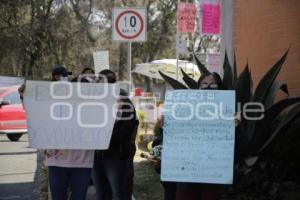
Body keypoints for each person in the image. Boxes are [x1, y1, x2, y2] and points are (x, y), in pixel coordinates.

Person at [19, 65, 95, 200]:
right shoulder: (52, 103)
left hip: (82, 162)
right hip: (57, 161)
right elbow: (35, 111)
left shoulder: (94, 107)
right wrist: (24, 94)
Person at [92, 69, 139, 200]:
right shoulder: (93, 102)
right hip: (96, 156)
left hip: (115, 157)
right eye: (99, 83)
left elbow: (126, 129)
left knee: (118, 193)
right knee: (101, 193)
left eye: (106, 83)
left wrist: (104, 137)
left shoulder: (123, 101)